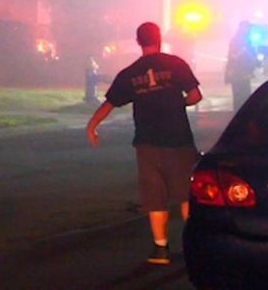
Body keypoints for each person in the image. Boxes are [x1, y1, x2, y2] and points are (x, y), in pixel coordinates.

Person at [86, 22, 202, 266]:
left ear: (138, 41)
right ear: (159, 38)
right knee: (185, 194)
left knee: (155, 195)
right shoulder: (176, 64)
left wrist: (92, 125)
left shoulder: (130, 73)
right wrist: (178, 104)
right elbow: (195, 96)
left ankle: (160, 249)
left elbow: (109, 103)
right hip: (179, 140)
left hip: (147, 143)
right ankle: (194, 246)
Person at [224, 21, 258, 111]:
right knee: (240, 95)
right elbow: (234, 57)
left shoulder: (244, 40)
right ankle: (241, 113)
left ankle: (241, 112)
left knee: (243, 95)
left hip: (242, 73)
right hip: (239, 73)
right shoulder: (238, 41)